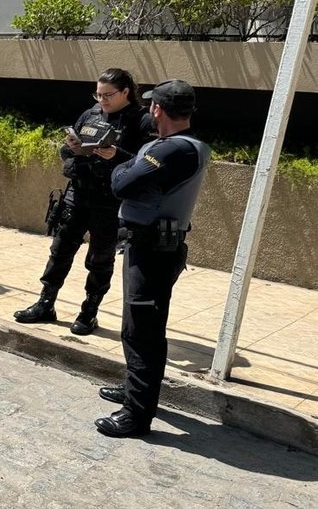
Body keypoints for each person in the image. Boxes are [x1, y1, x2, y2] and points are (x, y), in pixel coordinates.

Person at [95, 79, 209, 437]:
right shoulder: (184, 147)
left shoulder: (172, 149)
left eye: (150, 105)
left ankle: (137, 414)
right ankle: (135, 390)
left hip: (151, 251)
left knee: (141, 331)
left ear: (157, 109)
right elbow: (143, 173)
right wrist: (130, 163)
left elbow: (122, 186)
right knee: (137, 326)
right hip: (151, 247)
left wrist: (119, 168)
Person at [14, 68, 154, 335]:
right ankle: (46, 303)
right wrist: (71, 148)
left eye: (108, 95)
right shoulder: (90, 114)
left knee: (100, 260)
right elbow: (66, 151)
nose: (102, 100)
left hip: (109, 202)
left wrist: (116, 154)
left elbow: (145, 163)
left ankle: (89, 312)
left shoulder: (141, 121)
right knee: (60, 251)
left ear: (126, 92)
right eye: (98, 94)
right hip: (77, 195)